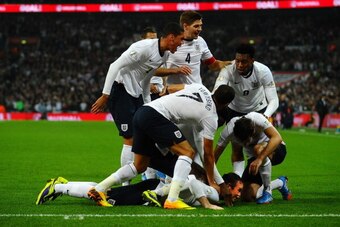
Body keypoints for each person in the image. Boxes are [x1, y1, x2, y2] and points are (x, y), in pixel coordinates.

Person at [87, 83, 235, 209]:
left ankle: (99, 189)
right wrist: (218, 183)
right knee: (187, 152)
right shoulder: (211, 117)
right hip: (156, 116)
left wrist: (165, 90)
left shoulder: (200, 87)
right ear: (226, 104)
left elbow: (171, 88)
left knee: (139, 166)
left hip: (142, 112)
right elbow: (208, 154)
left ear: (215, 92)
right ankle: (172, 200)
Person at [91, 22, 188, 186]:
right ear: (171, 37)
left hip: (135, 93)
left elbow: (147, 78)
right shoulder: (142, 48)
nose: (181, 44)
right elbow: (114, 66)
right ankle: (125, 184)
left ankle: (149, 178)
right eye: (180, 39)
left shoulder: (163, 55)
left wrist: (149, 105)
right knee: (129, 137)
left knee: (145, 135)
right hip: (120, 90)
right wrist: (105, 96)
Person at [35, 172, 243, 210]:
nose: (239, 194)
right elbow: (190, 181)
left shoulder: (217, 193)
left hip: (155, 186)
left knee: (108, 193)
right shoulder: (215, 194)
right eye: (238, 190)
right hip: (154, 191)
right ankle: (59, 186)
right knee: (106, 198)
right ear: (228, 185)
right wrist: (207, 204)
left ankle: (63, 184)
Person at [214, 112, 289, 204]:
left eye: (246, 141)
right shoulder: (229, 130)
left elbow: (277, 138)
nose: (245, 144)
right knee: (247, 195)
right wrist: (211, 179)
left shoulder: (257, 119)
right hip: (255, 158)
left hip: (276, 151)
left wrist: (260, 159)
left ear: (253, 131)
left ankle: (267, 191)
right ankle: (280, 183)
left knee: (257, 149)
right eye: (242, 141)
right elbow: (214, 156)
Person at [157, 10, 230, 91]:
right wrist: (175, 70)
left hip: (196, 91)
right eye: (196, 26)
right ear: (185, 26)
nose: (200, 29)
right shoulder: (172, 43)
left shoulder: (200, 41)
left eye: (200, 26)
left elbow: (213, 65)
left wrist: (232, 64)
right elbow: (155, 71)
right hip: (175, 92)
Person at [213, 43, 279, 126]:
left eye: (244, 62)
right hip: (234, 110)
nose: (240, 65)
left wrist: (265, 115)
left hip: (258, 109)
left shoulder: (263, 71)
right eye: (237, 61)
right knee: (234, 138)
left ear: (252, 61)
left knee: (259, 139)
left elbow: (274, 100)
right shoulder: (228, 69)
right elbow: (217, 90)